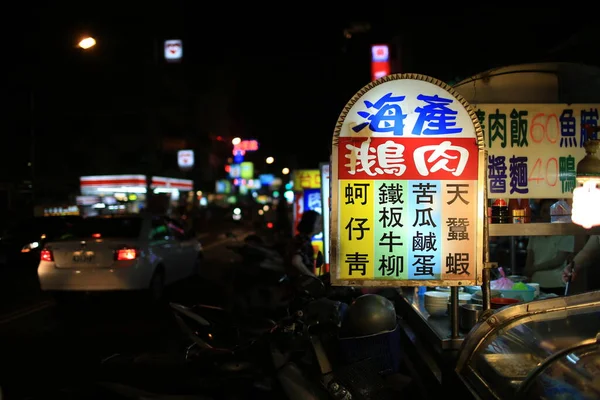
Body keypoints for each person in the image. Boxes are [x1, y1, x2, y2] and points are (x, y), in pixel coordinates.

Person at [525, 199, 574, 295]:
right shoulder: (535, 234)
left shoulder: (566, 234)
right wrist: (527, 274)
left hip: (556, 284)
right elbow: (529, 257)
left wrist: (534, 269)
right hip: (535, 284)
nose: (548, 215)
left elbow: (558, 261)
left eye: (551, 211)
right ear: (540, 213)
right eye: (544, 211)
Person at [286, 210, 321, 279]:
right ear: (311, 224)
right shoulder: (303, 241)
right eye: (319, 223)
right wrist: (313, 277)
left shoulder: (300, 238)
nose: (321, 226)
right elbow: (296, 261)